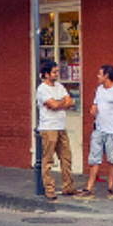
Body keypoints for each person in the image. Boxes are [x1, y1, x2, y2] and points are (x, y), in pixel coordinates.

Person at [75, 64, 113, 199]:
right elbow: (95, 103)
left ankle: (110, 188)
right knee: (94, 159)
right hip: (98, 129)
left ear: (107, 76)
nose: (97, 77)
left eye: (100, 74)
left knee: (112, 160)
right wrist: (93, 108)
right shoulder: (99, 89)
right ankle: (89, 188)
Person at [35, 58, 78, 199]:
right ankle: (49, 190)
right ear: (46, 74)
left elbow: (70, 102)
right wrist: (60, 103)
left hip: (61, 126)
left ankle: (68, 187)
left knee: (66, 158)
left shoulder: (60, 87)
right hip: (48, 128)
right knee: (48, 160)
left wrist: (57, 104)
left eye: (57, 71)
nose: (57, 74)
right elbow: (53, 105)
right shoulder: (42, 89)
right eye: (54, 72)